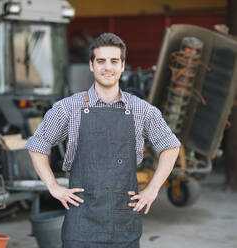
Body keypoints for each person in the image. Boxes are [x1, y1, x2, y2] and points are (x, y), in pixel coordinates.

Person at [25, 33, 180, 248]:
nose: (108, 67)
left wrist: (153, 188)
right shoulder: (68, 108)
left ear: (122, 65)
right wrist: (53, 186)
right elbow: (37, 145)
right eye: (101, 61)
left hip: (124, 223)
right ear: (91, 65)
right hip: (81, 223)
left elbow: (170, 146)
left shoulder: (141, 110)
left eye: (114, 61)